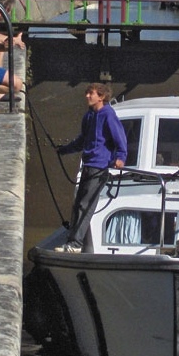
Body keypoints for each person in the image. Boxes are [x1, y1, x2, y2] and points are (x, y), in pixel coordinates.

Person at [55, 82, 128, 253]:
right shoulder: (89, 116)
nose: (87, 96)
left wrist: (121, 157)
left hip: (99, 166)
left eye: (91, 93)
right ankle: (73, 241)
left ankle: (76, 244)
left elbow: (120, 138)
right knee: (78, 204)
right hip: (88, 164)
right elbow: (82, 140)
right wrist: (64, 150)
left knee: (85, 205)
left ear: (101, 97)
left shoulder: (108, 114)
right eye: (87, 93)